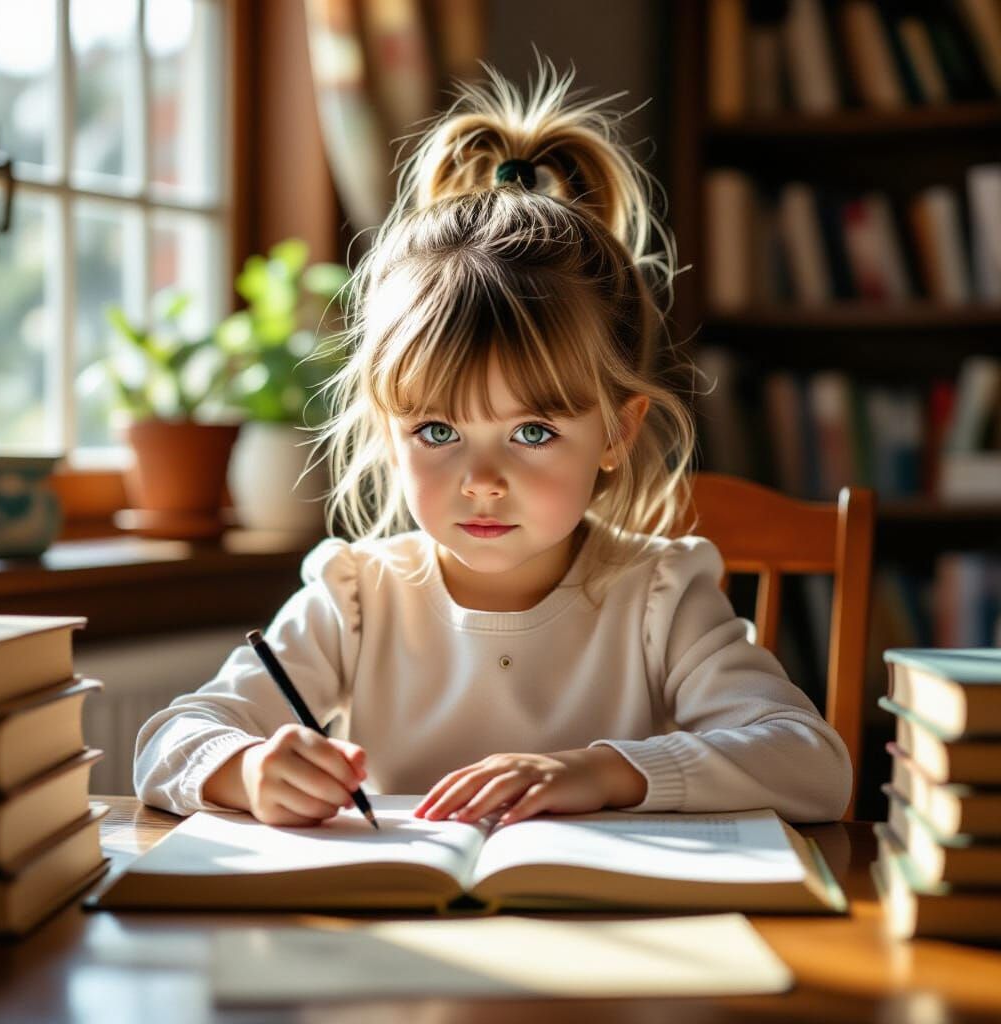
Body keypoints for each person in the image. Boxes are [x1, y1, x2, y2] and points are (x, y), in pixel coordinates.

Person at [134, 58, 852, 828]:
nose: (481, 481)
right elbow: (166, 745)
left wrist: (606, 772)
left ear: (617, 431)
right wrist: (246, 768)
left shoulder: (660, 597)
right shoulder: (356, 596)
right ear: (388, 429)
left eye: (533, 432)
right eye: (437, 430)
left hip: (603, 937)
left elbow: (813, 767)